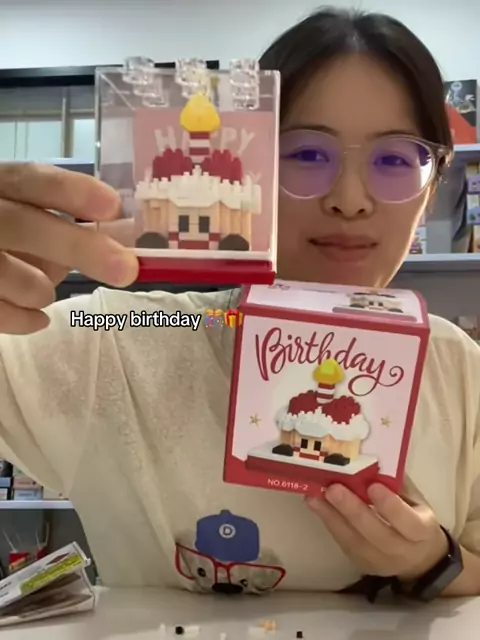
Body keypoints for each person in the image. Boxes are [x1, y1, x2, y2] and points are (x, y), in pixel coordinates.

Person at [0, 7, 479, 598]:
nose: (350, 199)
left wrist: (434, 561)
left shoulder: (457, 367)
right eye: (306, 154)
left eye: (394, 159)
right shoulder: (126, 337)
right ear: (249, 169)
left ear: (433, 186)